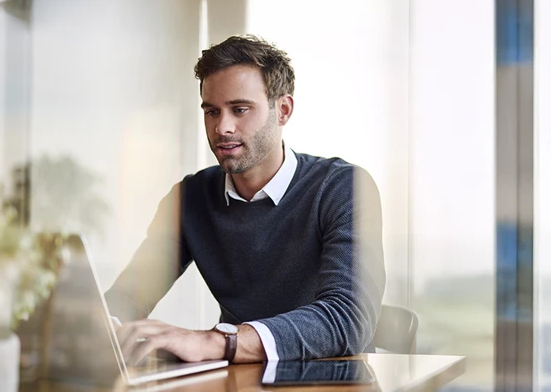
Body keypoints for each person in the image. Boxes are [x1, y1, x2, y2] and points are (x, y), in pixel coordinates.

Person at [105, 35, 385, 364]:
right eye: (212, 112)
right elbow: (129, 296)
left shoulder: (343, 187)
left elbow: (347, 319)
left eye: (240, 109)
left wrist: (219, 341)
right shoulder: (190, 198)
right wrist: (103, 326)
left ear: (282, 110)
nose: (222, 127)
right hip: (237, 379)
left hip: (328, 380)